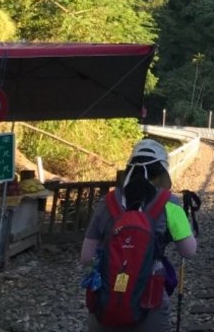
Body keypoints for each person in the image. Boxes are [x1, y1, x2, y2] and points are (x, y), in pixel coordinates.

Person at [80, 139, 197, 332]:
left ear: (129, 170)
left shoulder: (106, 203)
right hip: (150, 301)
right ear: (161, 173)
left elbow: (86, 258)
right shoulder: (170, 204)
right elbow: (189, 251)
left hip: (105, 305)